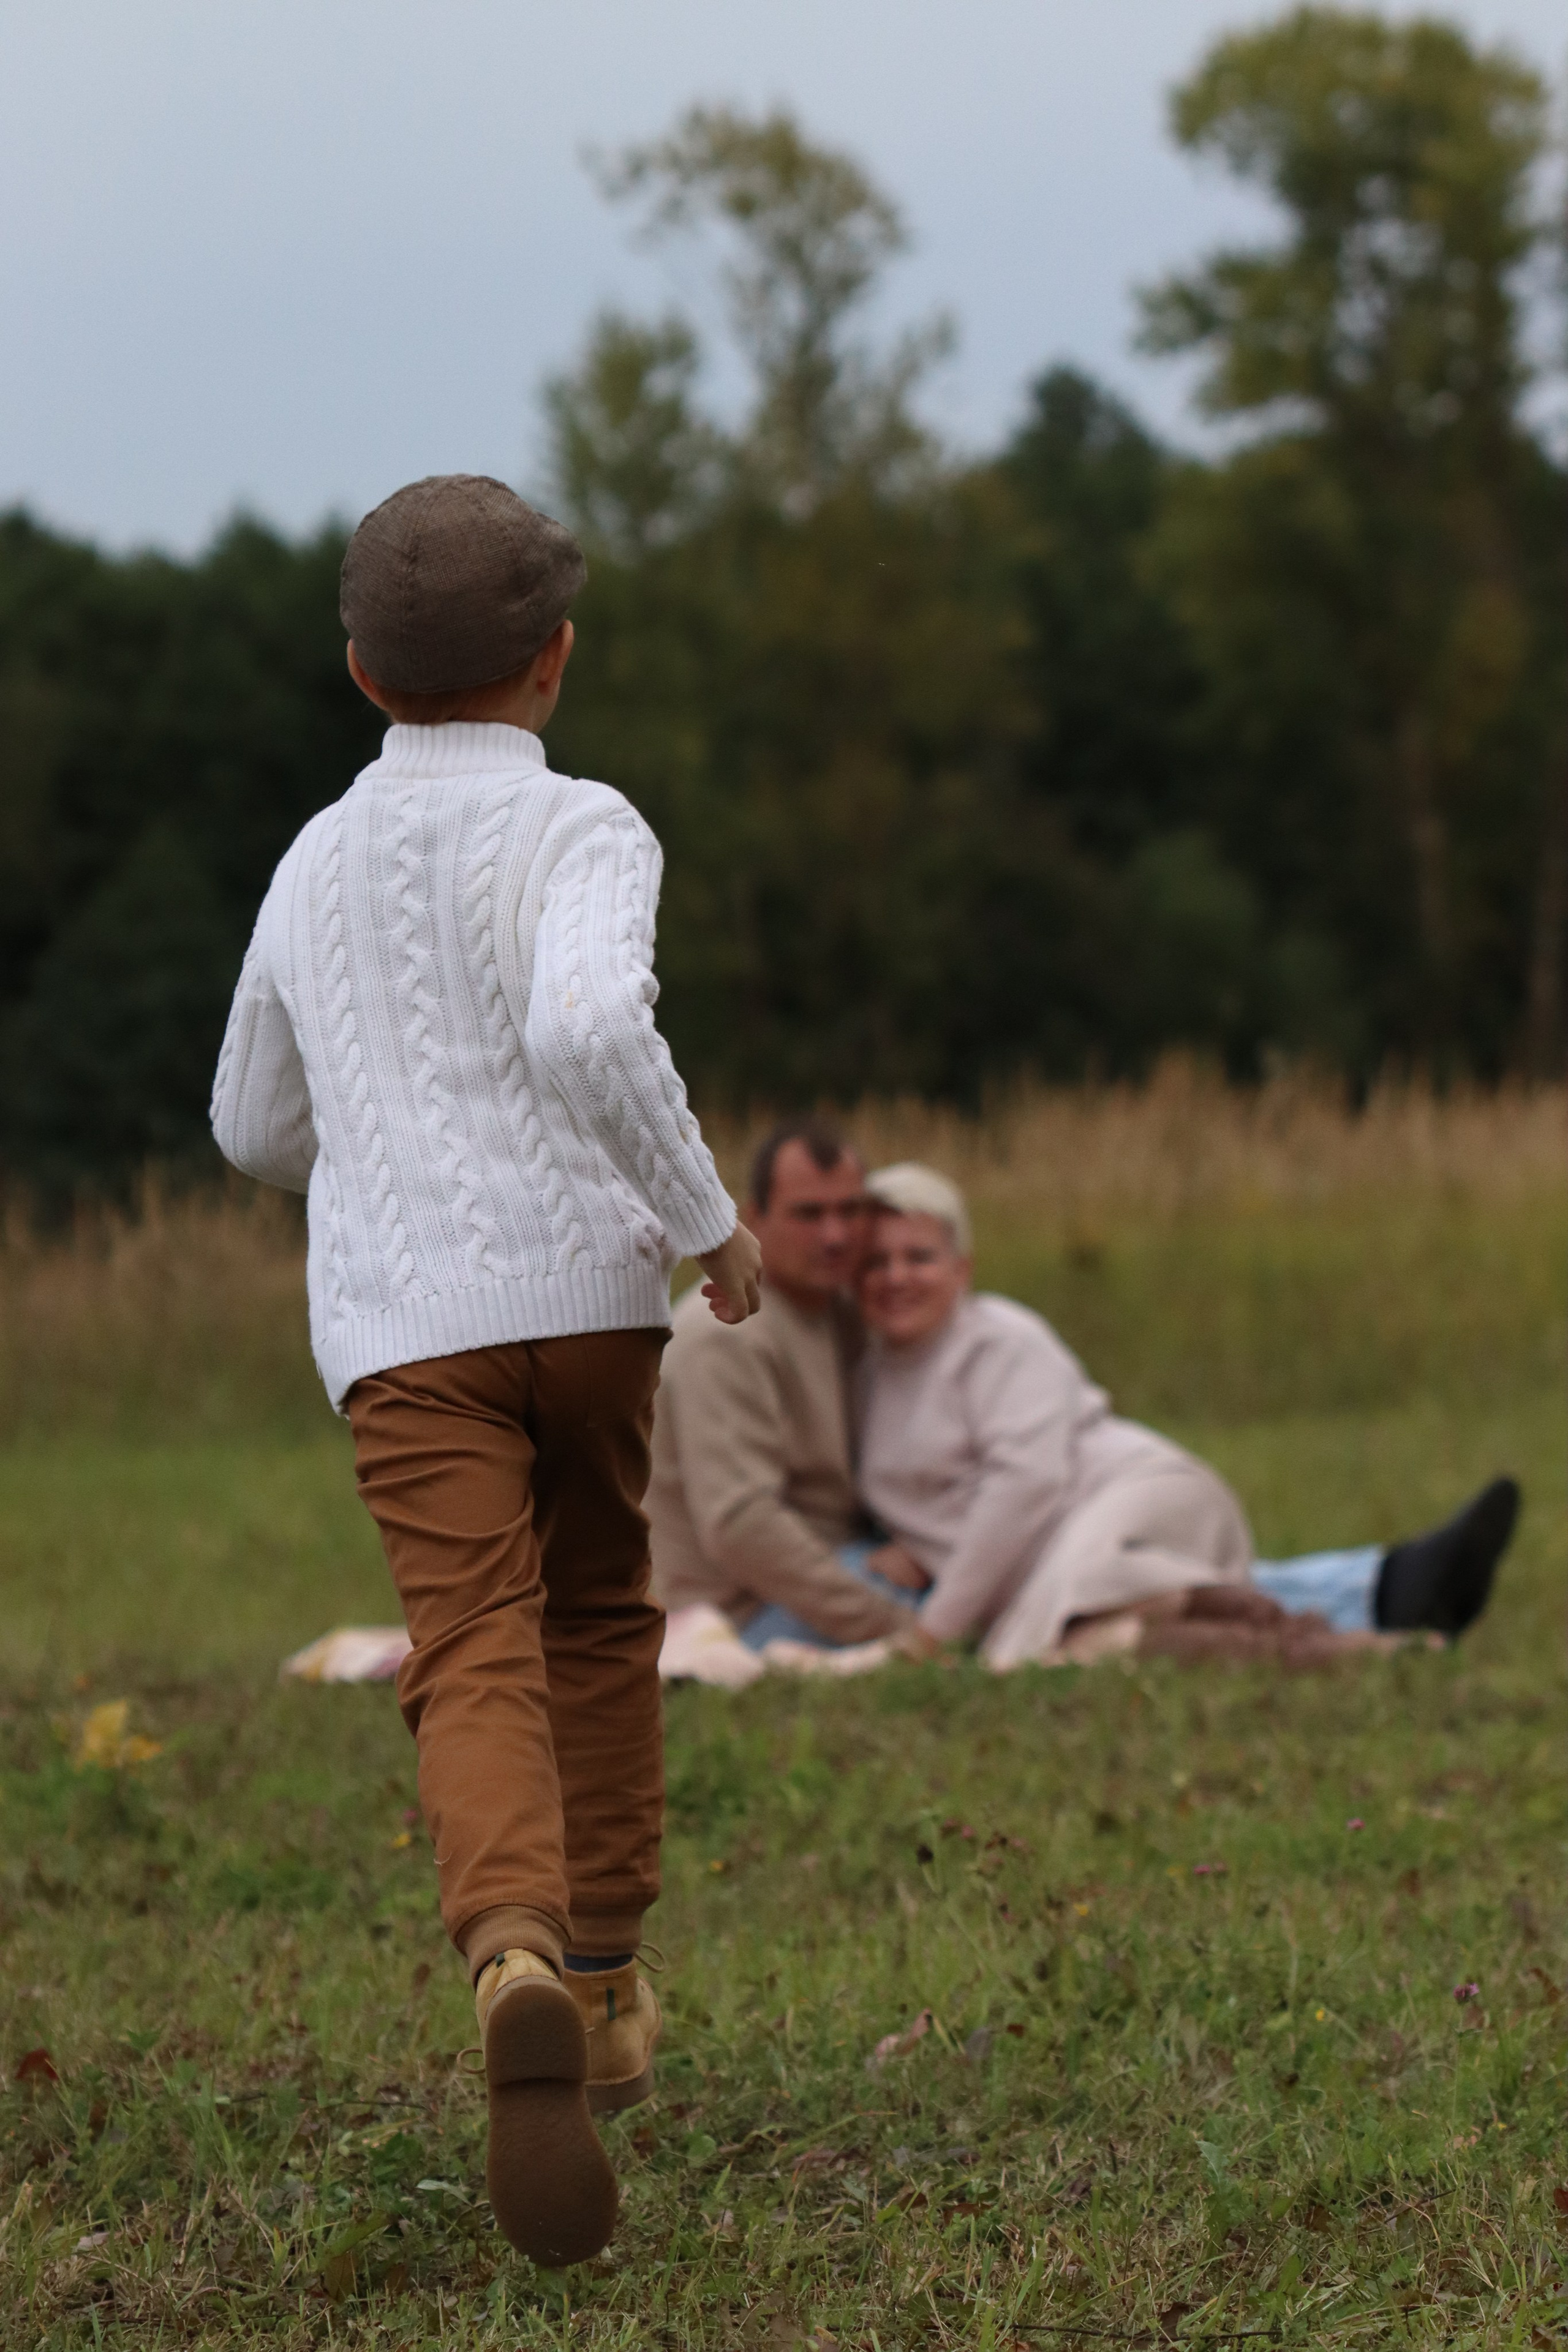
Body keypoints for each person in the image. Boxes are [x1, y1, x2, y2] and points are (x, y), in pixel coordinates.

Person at [210, 475, 762, 2269]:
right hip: (591, 1300)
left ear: (362, 673)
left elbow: (250, 1122)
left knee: (470, 1642)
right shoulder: (582, 825)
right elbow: (591, 1023)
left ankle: (509, 1944)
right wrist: (706, 1219)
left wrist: (386, 1150)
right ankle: (598, 1982)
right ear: (556, 656)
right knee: (600, 1614)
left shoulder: (310, 860)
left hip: (404, 1332)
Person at [854, 1163, 1519, 1670]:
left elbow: (1024, 1484)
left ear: (963, 1268)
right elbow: (934, 1484)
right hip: (1051, 1557)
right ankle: (1360, 1635)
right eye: (877, 1262)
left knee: (1070, 1608)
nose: (897, 1277)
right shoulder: (866, 1377)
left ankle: (1371, 1608)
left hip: (1125, 1502)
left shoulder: (1001, 1339)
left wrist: (932, 1633)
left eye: (919, 1257)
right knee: (1089, 1643)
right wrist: (916, 1545)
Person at [647, 1120, 911, 1648]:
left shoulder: (838, 1310)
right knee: (973, 1606)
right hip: (739, 1613)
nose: (835, 1236)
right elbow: (741, 1526)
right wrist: (900, 1628)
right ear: (754, 1219)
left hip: (835, 1568)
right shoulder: (726, 1331)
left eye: (850, 1211)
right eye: (809, 1214)